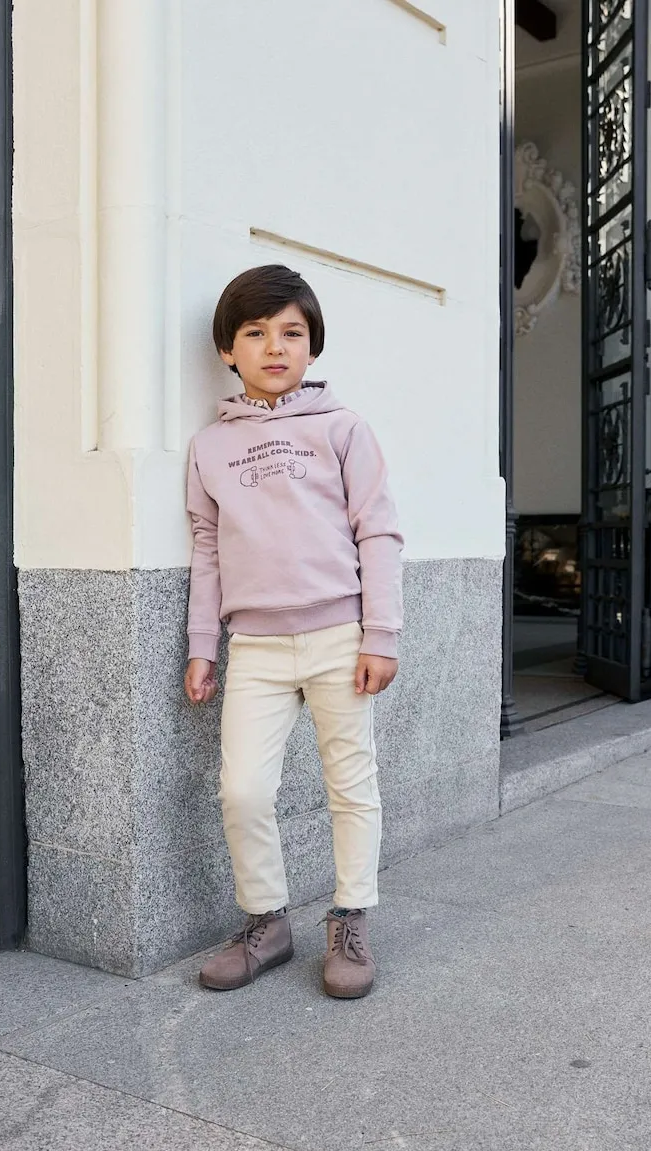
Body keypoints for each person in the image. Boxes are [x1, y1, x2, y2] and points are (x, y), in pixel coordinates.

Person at [185, 264, 403, 999]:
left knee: (351, 784)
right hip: (256, 646)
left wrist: (381, 635)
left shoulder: (343, 429)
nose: (274, 347)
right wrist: (202, 647)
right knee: (243, 789)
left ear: (313, 345)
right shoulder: (209, 447)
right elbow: (207, 549)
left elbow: (378, 532)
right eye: (255, 333)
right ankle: (267, 922)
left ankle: (350, 919)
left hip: (340, 634)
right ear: (228, 349)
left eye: (292, 332)